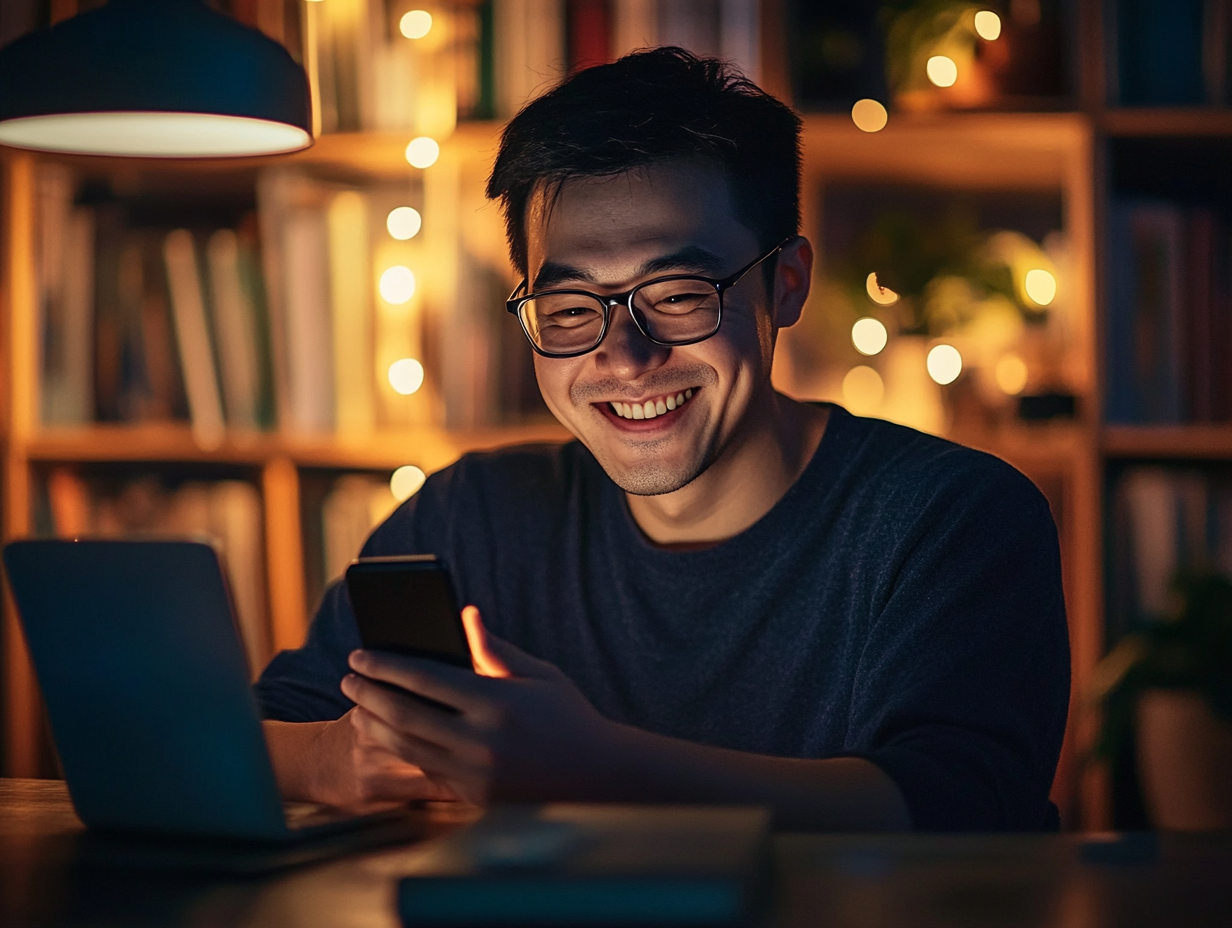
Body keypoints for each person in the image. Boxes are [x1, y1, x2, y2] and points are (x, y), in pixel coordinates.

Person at [256, 48, 1070, 831]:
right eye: (571, 310)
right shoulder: (472, 517)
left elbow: (958, 811)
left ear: (784, 285)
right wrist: (337, 758)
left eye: (678, 294)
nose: (625, 358)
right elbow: (251, 734)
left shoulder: (952, 519)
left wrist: (592, 768)